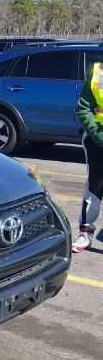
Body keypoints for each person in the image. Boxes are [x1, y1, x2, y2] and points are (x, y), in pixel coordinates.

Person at [71, 60, 103, 253]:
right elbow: (83, 109)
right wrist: (98, 135)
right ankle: (86, 231)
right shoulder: (99, 74)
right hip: (98, 140)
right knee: (95, 186)